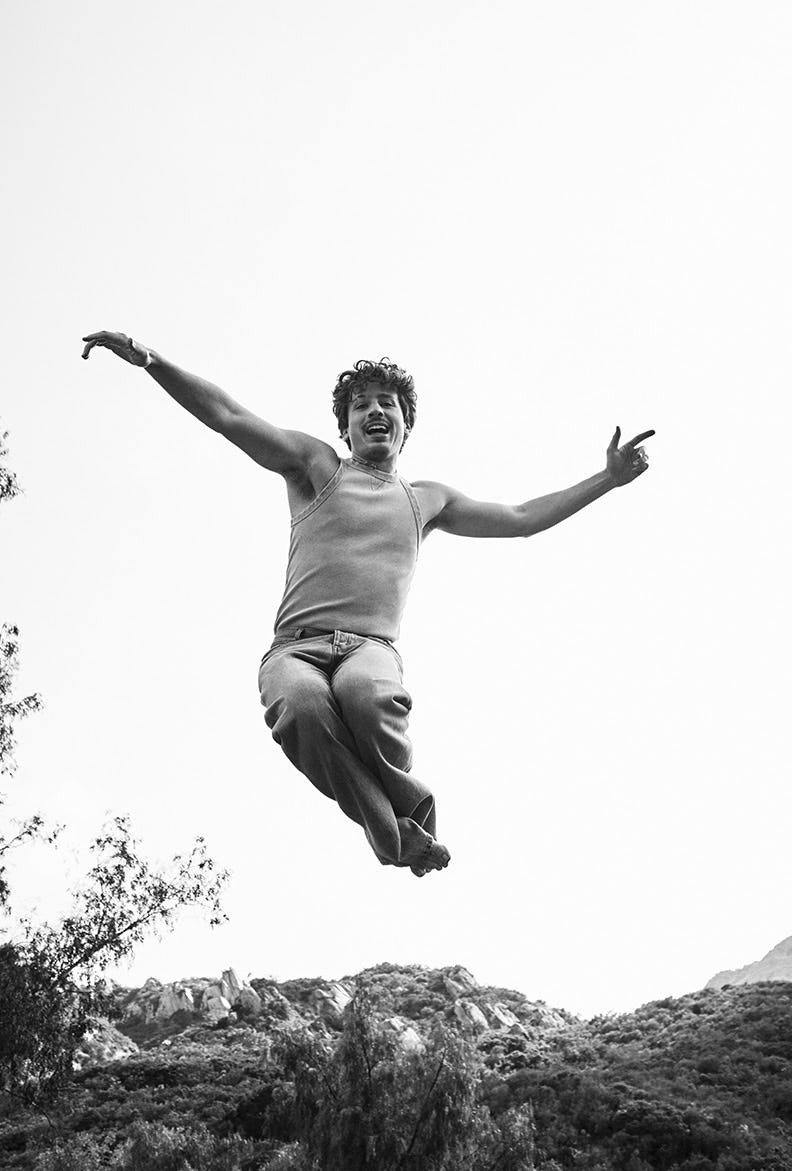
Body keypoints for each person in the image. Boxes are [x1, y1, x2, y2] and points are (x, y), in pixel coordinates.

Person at [82, 332, 654, 877]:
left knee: (364, 694)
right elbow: (230, 417)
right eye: (361, 405)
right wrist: (151, 360)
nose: (374, 411)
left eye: (387, 403)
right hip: (295, 651)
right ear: (346, 426)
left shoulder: (427, 499)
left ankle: (403, 812)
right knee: (303, 709)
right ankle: (396, 830)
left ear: (406, 425)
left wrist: (605, 480)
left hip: (370, 649)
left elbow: (522, 519)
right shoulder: (316, 467)